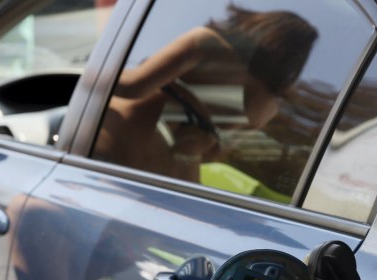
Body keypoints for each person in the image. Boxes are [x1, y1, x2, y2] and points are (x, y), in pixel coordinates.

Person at [94, 6, 317, 183]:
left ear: (260, 25)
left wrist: (97, 67)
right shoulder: (268, 106)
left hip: (115, 147)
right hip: (172, 176)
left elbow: (130, 87)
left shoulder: (206, 44)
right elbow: (214, 153)